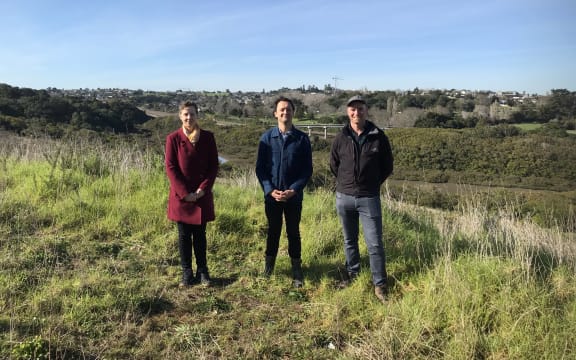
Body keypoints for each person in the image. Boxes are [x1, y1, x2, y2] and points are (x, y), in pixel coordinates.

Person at [330, 95, 394, 303]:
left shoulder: (378, 137)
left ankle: (380, 284)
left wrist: (372, 184)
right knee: (350, 240)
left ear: (367, 110)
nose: (356, 112)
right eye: (352, 109)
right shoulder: (340, 136)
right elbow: (334, 164)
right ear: (348, 112)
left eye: (360, 108)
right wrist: (345, 184)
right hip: (344, 197)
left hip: (369, 198)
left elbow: (387, 166)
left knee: (374, 243)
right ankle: (353, 274)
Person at [256, 96, 313, 288]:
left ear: (293, 112)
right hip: (272, 196)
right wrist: (269, 190)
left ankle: (297, 270)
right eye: (281, 110)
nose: (285, 112)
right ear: (275, 114)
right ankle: (268, 268)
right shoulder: (267, 138)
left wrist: (294, 190)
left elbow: (307, 170)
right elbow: (260, 169)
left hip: (293, 197)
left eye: (288, 109)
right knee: (273, 230)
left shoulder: (302, 139)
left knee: (293, 232)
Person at [165, 100, 219, 287]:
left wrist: (202, 189)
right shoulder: (173, 138)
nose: (189, 117)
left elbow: (213, 166)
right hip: (182, 196)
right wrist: (185, 192)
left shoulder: (208, 137)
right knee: (184, 235)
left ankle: (203, 271)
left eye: (192, 114)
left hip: (201, 195)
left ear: (197, 116)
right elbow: (171, 168)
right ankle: (186, 272)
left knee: (201, 235)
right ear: (180, 116)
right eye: (185, 114)